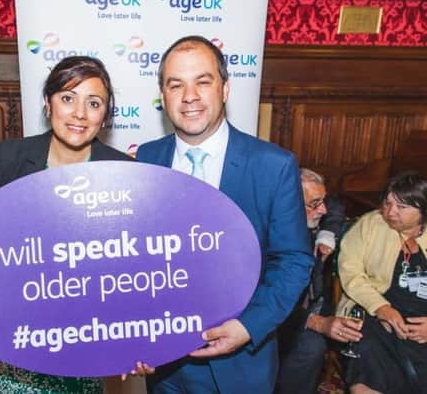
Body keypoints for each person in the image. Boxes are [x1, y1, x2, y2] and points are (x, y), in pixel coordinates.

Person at [0, 55, 132, 394]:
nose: (79, 113)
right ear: (47, 104)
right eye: (68, 98)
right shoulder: (11, 158)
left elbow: (134, 262)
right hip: (13, 325)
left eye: (93, 103)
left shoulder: (123, 171)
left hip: (85, 330)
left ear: (105, 116)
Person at [135, 35, 313, 393]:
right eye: (176, 85)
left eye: (203, 81)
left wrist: (248, 326)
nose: (190, 96)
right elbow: (135, 258)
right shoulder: (147, 158)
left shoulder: (273, 166)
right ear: (163, 96)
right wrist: (133, 334)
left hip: (241, 364)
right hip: (166, 367)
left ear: (225, 88)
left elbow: (293, 260)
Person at [338, 172, 427, 394]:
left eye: (402, 207)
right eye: (387, 203)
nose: (390, 212)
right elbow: (350, 271)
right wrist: (381, 308)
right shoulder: (370, 225)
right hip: (373, 311)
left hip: (421, 319)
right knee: (367, 353)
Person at [274, 168, 359, 394]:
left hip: (313, 303)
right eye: (314, 204)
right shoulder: (268, 240)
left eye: (321, 202)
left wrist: (327, 232)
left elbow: (335, 206)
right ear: (287, 204)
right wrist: (319, 323)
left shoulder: (317, 219)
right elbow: (272, 304)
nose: (322, 209)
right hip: (279, 319)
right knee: (310, 346)